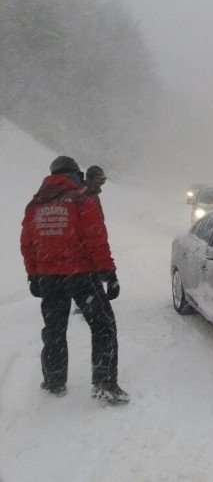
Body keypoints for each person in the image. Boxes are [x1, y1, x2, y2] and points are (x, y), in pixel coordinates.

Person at [20, 156, 129, 403]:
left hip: (49, 277)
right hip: (81, 275)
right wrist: (109, 273)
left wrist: (33, 275)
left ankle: (54, 380)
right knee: (103, 326)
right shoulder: (81, 199)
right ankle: (104, 384)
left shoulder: (35, 204)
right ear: (74, 174)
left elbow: (27, 244)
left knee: (54, 329)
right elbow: (95, 238)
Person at [72, 166, 118, 313]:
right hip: (86, 240)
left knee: (93, 271)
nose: (101, 184)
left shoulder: (91, 193)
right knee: (89, 271)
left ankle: (87, 302)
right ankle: (86, 304)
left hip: (91, 237)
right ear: (91, 179)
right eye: (99, 180)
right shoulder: (85, 194)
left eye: (103, 180)